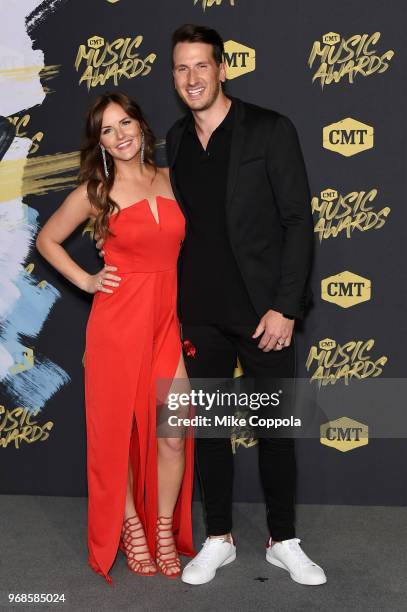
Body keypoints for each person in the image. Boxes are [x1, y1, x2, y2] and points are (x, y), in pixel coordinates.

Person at [165, 24, 327, 586]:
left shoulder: (269, 129)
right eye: (182, 68)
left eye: (201, 66)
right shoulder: (177, 139)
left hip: (265, 316)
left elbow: (298, 222)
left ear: (222, 69)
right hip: (200, 314)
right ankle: (218, 539)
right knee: (211, 429)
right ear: (174, 76)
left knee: (274, 429)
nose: (192, 78)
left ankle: (284, 539)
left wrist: (286, 308)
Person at [36, 92, 195, 585]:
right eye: (108, 129)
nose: (121, 133)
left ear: (142, 126)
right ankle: (132, 526)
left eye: (126, 122)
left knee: (173, 435)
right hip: (116, 326)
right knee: (118, 438)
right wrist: (85, 281)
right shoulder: (95, 190)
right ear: (99, 142)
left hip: (167, 325)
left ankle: (164, 527)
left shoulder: (173, 180)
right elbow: (47, 239)